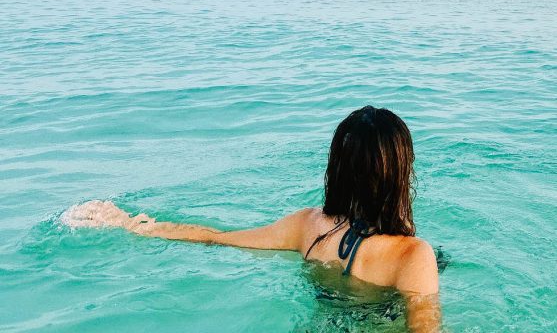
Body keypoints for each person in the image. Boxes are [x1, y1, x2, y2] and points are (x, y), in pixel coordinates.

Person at [66, 106, 441, 332]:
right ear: (400, 174)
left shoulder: (308, 226)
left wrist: (128, 222)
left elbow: (216, 237)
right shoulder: (414, 256)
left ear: (338, 168)